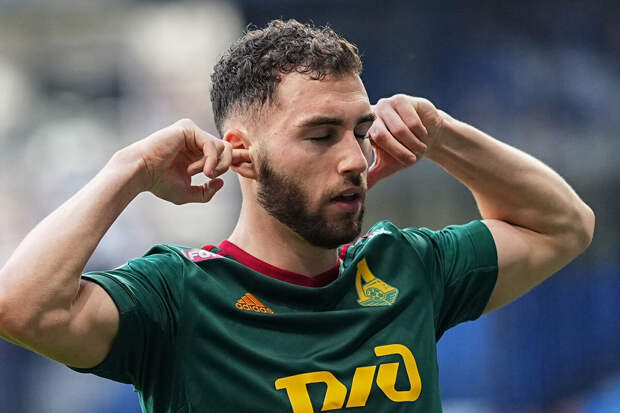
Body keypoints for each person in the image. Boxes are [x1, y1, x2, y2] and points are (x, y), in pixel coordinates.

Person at [0, 19, 594, 413]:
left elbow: (563, 226)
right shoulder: (178, 297)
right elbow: (22, 308)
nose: (354, 158)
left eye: (359, 130)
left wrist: (439, 134)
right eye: (320, 135)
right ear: (242, 154)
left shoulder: (408, 267)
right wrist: (130, 168)